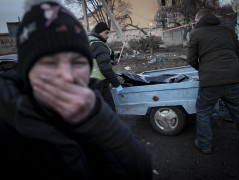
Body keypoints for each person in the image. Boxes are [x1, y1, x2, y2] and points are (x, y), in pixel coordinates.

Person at [0, 0, 152, 179]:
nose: (67, 76)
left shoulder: (93, 105)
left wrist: (96, 118)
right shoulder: (6, 117)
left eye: (77, 62)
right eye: (49, 63)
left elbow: (139, 170)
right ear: (27, 71)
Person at [187, 9, 239, 154]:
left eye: (195, 21)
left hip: (210, 82)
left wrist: (204, 71)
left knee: (203, 112)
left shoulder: (196, 33)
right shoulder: (227, 30)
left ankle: (205, 145)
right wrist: (235, 69)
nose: (194, 24)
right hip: (233, 79)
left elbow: (191, 60)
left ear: (198, 20)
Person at [88, 22, 123, 111]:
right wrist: (117, 84)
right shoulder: (99, 45)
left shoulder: (89, 42)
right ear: (99, 33)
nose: (108, 36)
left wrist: (112, 56)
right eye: (106, 32)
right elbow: (105, 68)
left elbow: (100, 57)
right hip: (100, 84)